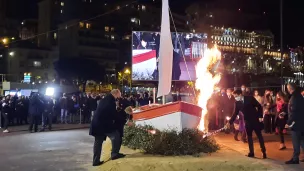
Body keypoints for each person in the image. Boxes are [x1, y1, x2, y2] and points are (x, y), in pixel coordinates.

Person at [226, 90, 266, 159]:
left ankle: (263, 151)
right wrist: (229, 122)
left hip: (255, 119)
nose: (235, 98)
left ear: (240, 94)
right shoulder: (237, 103)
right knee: (249, 137)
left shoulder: (250, 98)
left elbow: (259, 106)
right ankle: (251, 152)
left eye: (236, 96)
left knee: (259, 136)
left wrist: (260, 116)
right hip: (247, 121)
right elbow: (234, 114)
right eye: (234, 97)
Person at [89, 89, 125, 166]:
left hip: (96, 124)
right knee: (116, 136)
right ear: (116, 94)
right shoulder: (110, 102)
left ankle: (95, 161)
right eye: (120, 94)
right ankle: (114, 154)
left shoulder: (105, 99)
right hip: (103, 124)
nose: (120, 96)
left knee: (98, 142)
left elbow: (108, 112)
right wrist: (124, 121)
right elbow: (113, 115)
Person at [285, 83, 304, 164]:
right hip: (302, 122)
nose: (287, 90)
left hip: (296, 124)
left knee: (296, 141)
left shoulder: (294, 98)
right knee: (302, 141)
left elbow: (294, 112)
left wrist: (288, 123)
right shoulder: (300, 97)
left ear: (290, 88)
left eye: (287, 88)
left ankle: (295, 158)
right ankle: (295, 157)